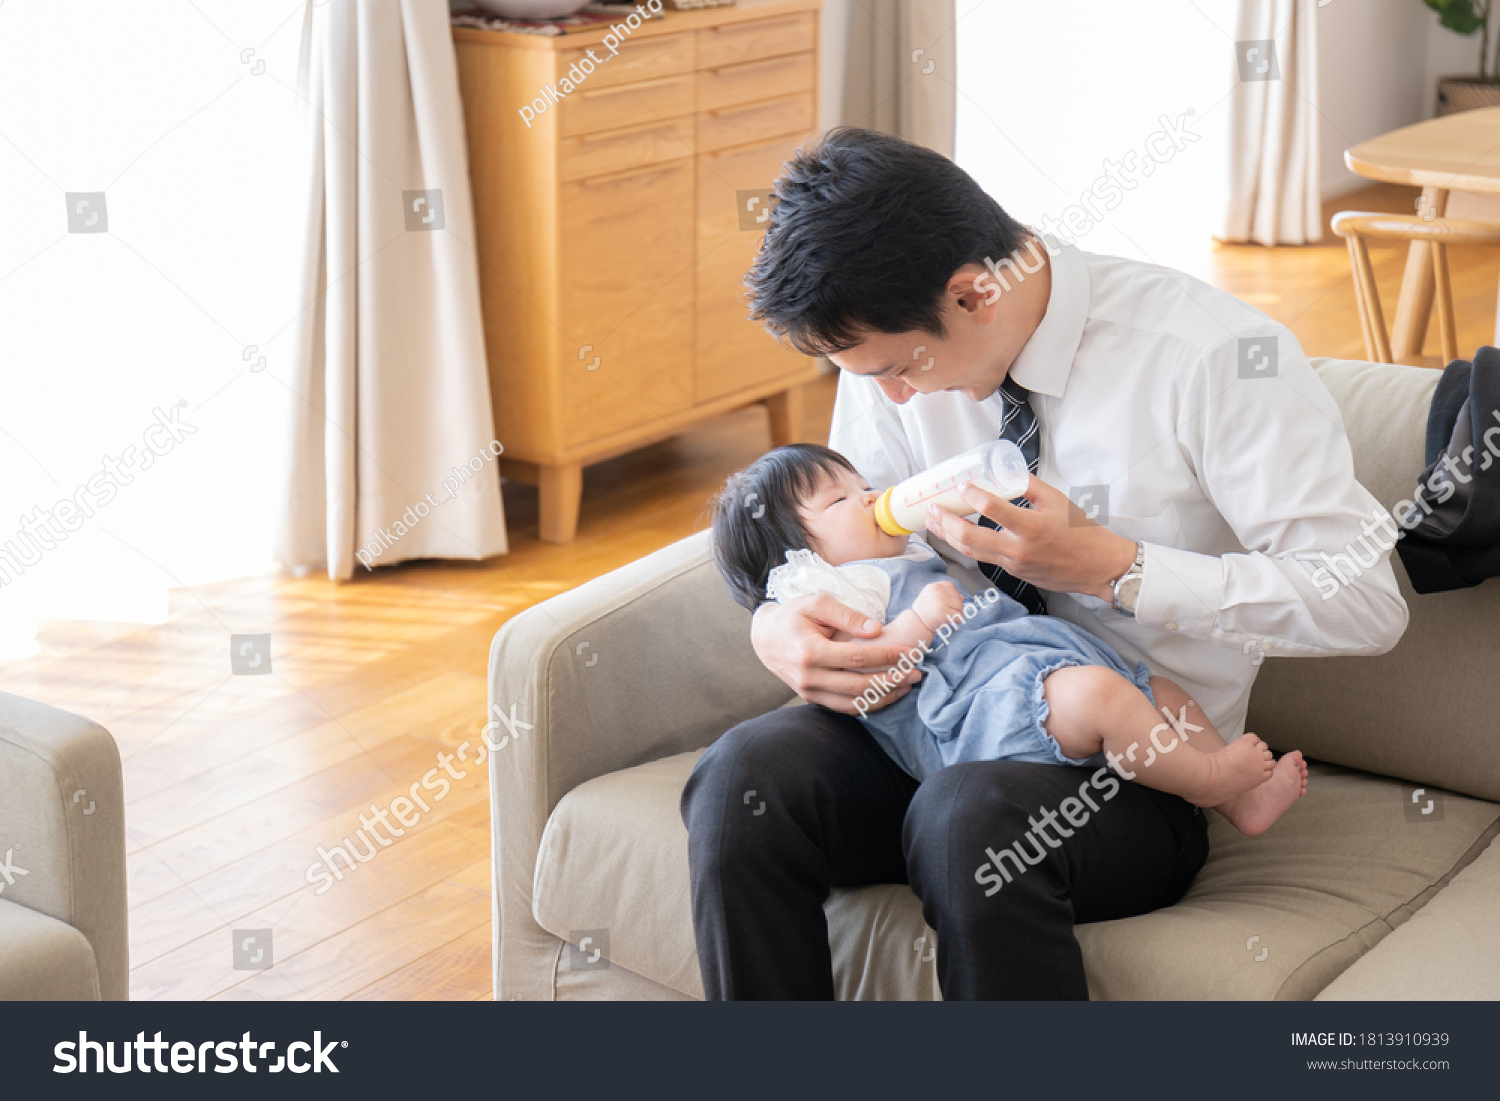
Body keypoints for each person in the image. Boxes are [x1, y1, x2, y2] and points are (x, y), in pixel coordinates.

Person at [680, 127, 1408, 1000]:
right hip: (932, 719)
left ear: (974, 292)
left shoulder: (1211, 357)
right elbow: (851, 534)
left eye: (898, 370)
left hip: (1133, 760)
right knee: (738, 782)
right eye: (865, 374)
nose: (893, 400)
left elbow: (1367, 600)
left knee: (966, 819)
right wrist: (780, 621)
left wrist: (1119, 568)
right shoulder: (892, 358)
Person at [710, 442, 1309, 833]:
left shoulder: (898, 548)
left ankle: (1240, 805)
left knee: (1162, 691)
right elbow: (879, 668)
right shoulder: (843, 590)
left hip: (1031, 669)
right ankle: (1208, 783)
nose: (869, 496)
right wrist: (920, 620)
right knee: (1102, 697)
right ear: (798, 561)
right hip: (979, 715)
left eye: (861, 483)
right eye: (840, 499)